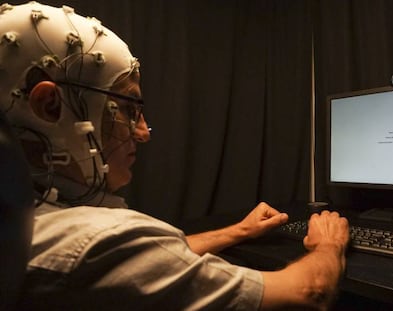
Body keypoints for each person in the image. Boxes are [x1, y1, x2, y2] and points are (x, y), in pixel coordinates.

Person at [0, 2, 349, 310]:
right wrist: (328, 245)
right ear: (50, 106)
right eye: (127, 107)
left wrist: (238, 231)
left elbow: (146, 262)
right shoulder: (96, 241)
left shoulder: (29, 220)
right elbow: (310, 292)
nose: (142, 132)